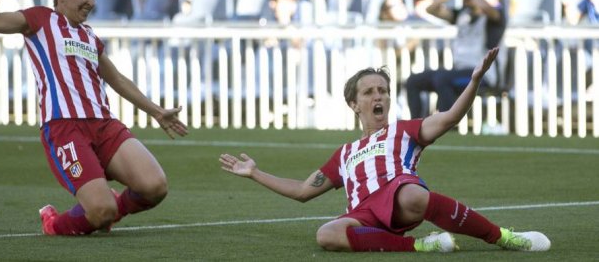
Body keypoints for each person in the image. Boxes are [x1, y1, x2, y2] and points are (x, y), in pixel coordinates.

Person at [220, 48, 550, 253]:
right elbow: (303, 191)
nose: (378, 97)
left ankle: (504, 237)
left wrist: (474, 82)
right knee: (327, 234)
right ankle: (420, 246)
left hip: (398, 195)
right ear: (354, 104)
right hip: (364, 213)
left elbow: (450, 118)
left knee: (410, 194)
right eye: (369, 92)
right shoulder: (345, 153)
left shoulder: (404, 130)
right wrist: (254, 173)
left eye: (383, 91)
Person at [0, 0, 189, 236]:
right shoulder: (39, 20)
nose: (91, 2)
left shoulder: (89, 36)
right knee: (101, 213)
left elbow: (118, 80)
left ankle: (109, 209)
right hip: (64, 128)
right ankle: (56, 223)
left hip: (104, 125)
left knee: (155, 187)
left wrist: (156, 111)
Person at [405, 0, 506, 118]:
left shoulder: (495, 15)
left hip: (483, 75)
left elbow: (487, 7)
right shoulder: (461, 14)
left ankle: (445, 127)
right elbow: (431, 9)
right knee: (413, 81)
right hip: (459, 71)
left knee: (442, 79)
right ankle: (418, 126)